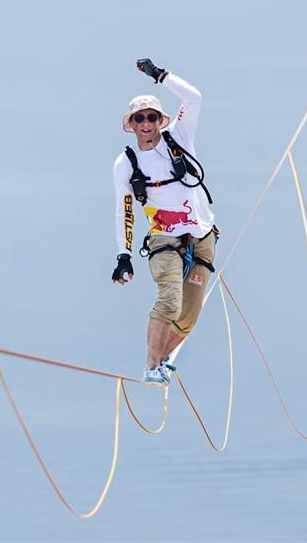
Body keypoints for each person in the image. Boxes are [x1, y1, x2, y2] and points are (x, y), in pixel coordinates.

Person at [110, 58, 217, 387]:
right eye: (139, 118)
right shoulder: (126, 163)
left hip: (202, 236)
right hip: (164, 240)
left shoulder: (179, 137)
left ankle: (163, 361)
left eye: (152, 117)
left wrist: (160, 76)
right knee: (169, 299)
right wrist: (123, 255)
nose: (146, 123)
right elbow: (124, 211)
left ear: (160, 120)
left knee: (188, 316)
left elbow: (194, 98)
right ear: (131, 124)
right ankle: (151, 366)